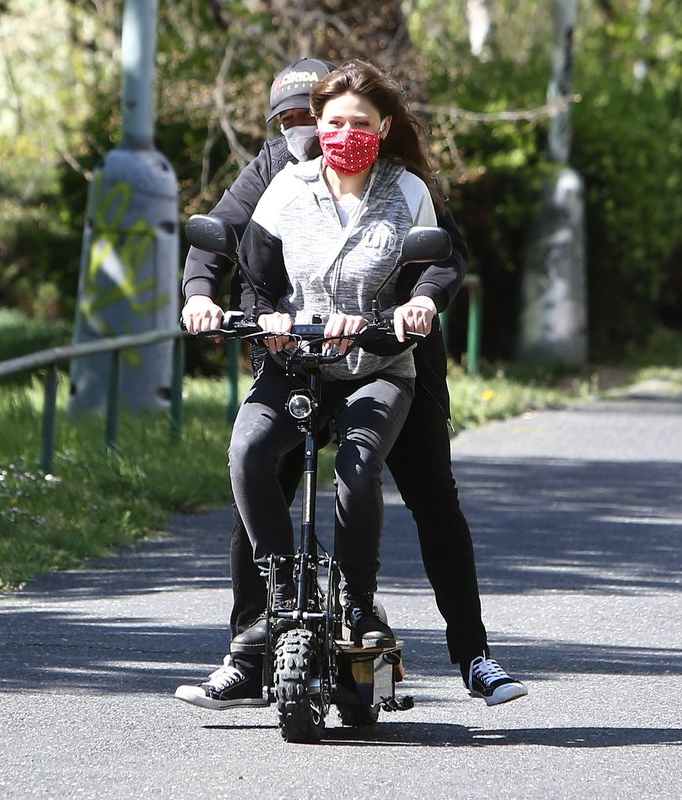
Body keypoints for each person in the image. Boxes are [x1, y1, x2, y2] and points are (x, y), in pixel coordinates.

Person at [176, 58, 526, 710]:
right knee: (253, 477)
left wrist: (414, 310)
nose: (313, 134)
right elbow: (228, 250)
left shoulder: (404, 185)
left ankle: (471, 652)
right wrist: (234, 309)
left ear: (377, 123)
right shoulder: (277, 172)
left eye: (323, 118)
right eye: (296, 122)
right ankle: (254, 646)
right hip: (297, 359)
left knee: (429, 497)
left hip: (391, 360)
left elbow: (443, 262)